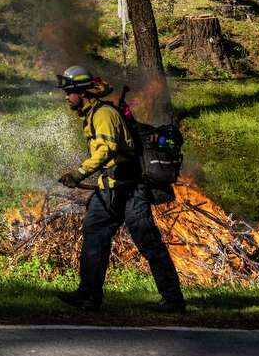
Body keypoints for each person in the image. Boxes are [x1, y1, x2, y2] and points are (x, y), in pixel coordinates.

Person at [55, 65, 185, 313]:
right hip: (110, 189)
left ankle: (173, 300)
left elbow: (106, 150)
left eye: (69, 92)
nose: (66, 97)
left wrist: (78, 173)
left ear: (82, 92)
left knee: (149, 244)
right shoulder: (92, 114)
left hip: (130, 190)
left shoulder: (104, 114)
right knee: (94, 236)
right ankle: (89, 295)